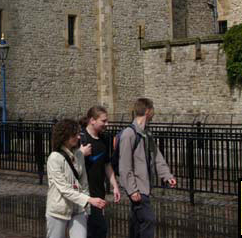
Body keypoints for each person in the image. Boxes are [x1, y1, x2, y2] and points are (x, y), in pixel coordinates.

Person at [119, 98, 176, 238]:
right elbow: (124, 166)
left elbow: (156, 156)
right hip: (138, 187)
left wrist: (167, 176)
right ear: (148, 111)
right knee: (148, 220)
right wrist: (132, 190)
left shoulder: (146, 133)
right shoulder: (129, 134)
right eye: (153, 109)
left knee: (137, 224)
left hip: (145, 186)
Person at [46, 118, 106, 238]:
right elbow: (64, 189)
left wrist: (86, 208)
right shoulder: (54, 158)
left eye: (78, 134)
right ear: (64, 136)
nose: (78, 137)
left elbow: (84, 183)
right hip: (59, 209)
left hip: (79, 209)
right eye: (74, 135)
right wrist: (89, 200)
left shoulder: (79, 154)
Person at [79, 106, 121, 238]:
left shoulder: (104, 139)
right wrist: (80, 153)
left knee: (99, 231)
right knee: (92, 231)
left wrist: (115, 185)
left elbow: (107, 164)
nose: (107, 124)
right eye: (104, 121)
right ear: (92, 120)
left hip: (99, 193)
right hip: (84, 195)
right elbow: (65, 162)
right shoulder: (80, 138)